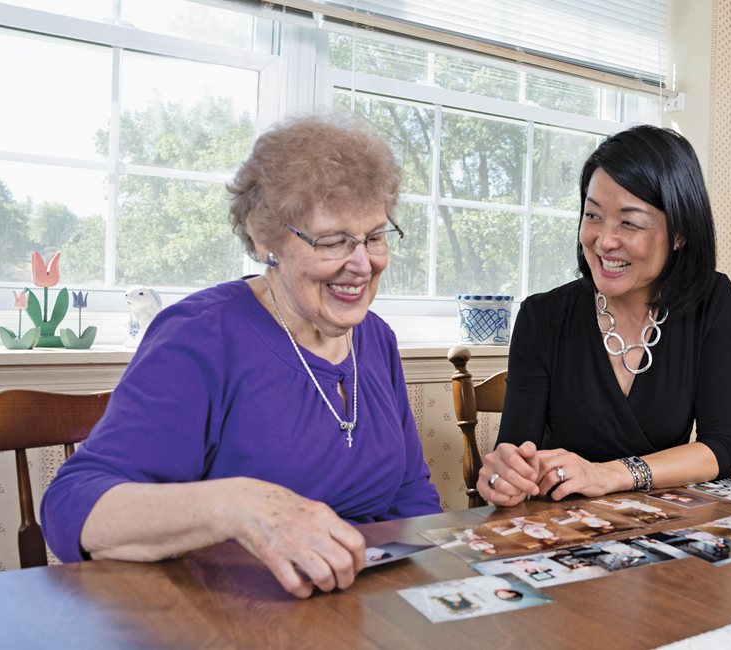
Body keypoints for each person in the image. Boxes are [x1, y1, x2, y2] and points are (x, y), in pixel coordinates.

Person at [40, 114, 442, 598]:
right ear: (265, 242)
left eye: (375, 236)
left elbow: (411, 495)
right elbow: (70, 507)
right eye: (333, 241)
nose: (362, 263)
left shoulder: (376, 338)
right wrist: (238, 504)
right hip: (225, 615)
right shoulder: (201, 337)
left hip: (359, 610)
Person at [477, 124, 731, 507]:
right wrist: (504, 477)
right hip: (561, 531)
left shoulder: (711, 299)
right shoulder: (542, 316)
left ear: (681, 232)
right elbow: (518, 457)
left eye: (629, 222)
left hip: (661, 530)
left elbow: (721, 448)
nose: (603, 241)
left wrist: (609, 474)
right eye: (593, 215)